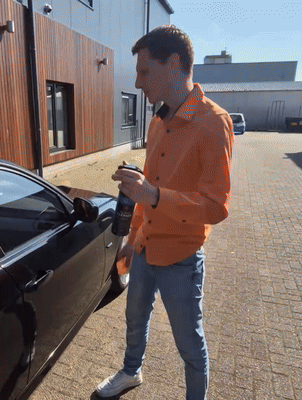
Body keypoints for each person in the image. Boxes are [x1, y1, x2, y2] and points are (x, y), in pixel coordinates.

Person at [95, 25, 234, 399]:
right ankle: (131, 372)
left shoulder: (214, 122)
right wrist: (132, 237)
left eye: (144, 71)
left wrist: (154, 195)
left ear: (173, 64)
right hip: (144, 248)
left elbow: (216, 206)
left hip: (181, 260)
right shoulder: (158, 122)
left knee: (189, 344)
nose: (137, 82)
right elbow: (148, 187)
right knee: (134, 319)